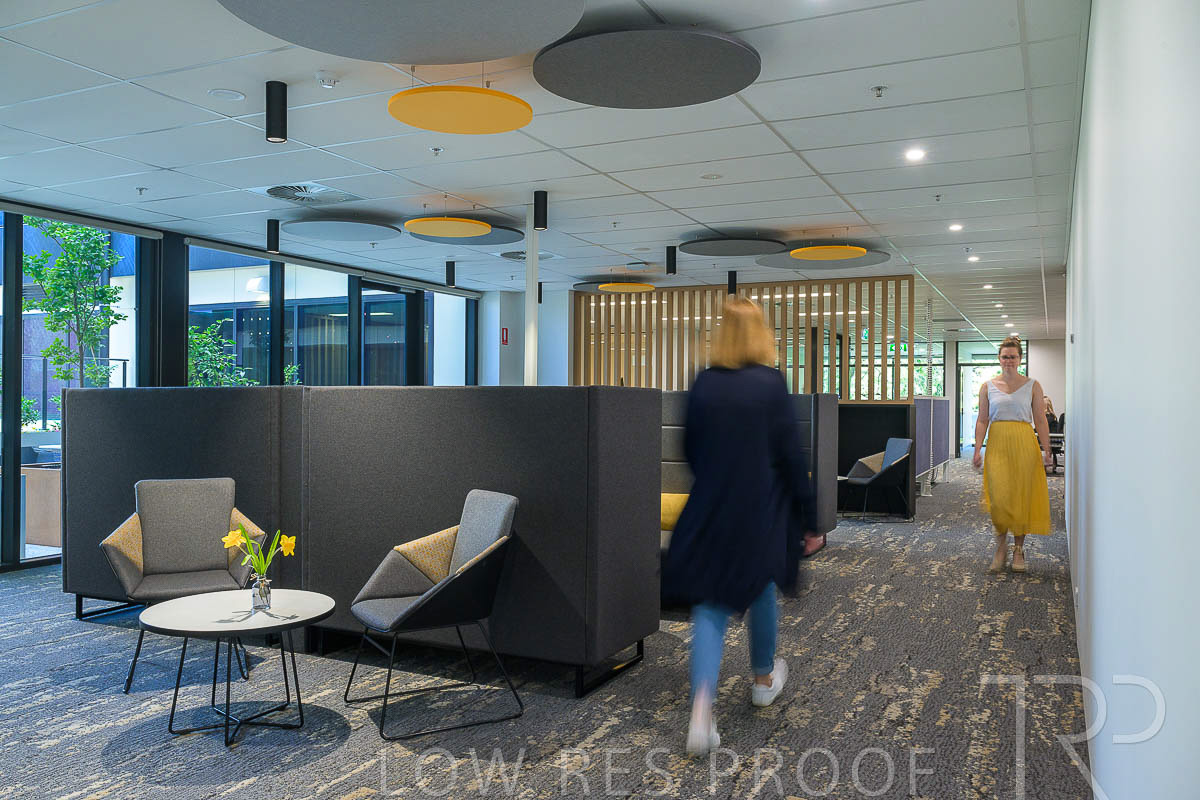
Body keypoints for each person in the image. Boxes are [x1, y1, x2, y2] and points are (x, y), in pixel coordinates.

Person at [661, 297, 815, 756]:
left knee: (710, 605)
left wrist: (716, 478)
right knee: (761, 584)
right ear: (761, 333)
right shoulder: (770, 383)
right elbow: (791, 457)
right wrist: (809, 518)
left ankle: (701, 712)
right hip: (758, 511)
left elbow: (689, 448)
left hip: (710, 506)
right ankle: (763, 680)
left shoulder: (704, 382)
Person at [972, 335, 1052, 572]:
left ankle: (1018, 549)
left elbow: (1040, 420)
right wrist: (977, 449)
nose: (1008, 361)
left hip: (1024, 443)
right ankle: (1000, 546)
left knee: (1020, 497)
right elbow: (982, 420)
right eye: (1005, 357)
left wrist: (1047, 448)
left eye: (1013, 357)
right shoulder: (987, 386)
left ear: (1020, 359)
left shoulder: (1033, 385)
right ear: (999, 358)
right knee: (999, 498)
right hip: (997, 444)